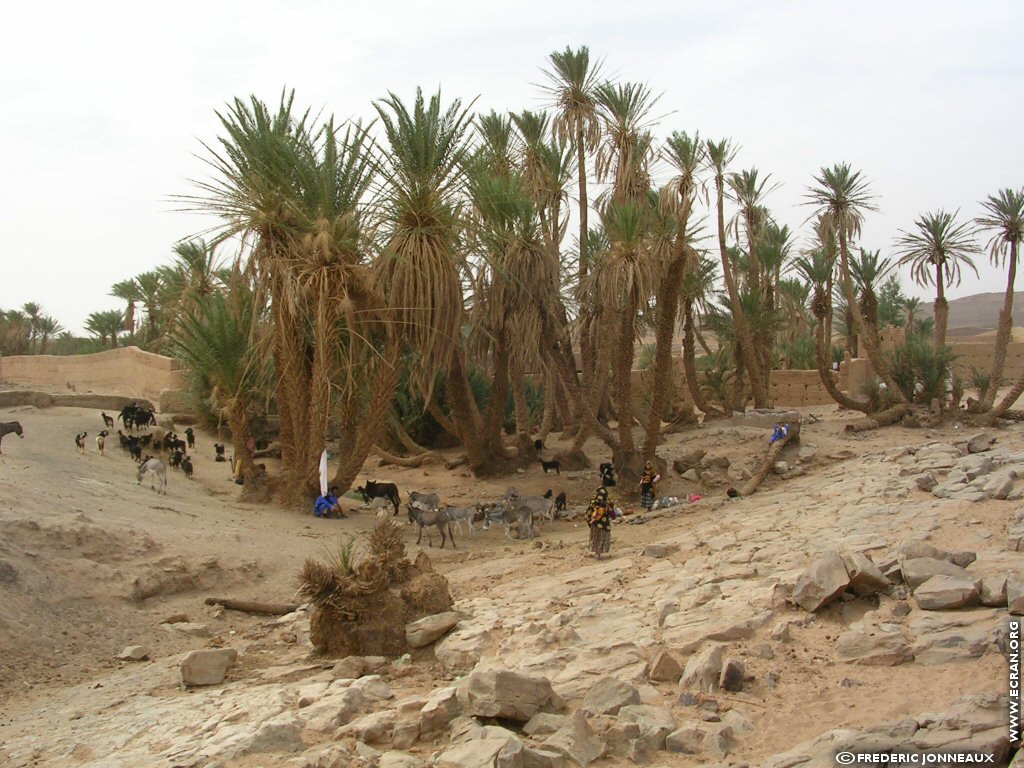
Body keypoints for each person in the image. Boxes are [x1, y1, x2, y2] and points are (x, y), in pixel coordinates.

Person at [586, 487, 613, 560]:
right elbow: (612, 512)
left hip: (595, 524)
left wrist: (589, 521)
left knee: (596, 538)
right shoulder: (607, 502)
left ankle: (597, 553)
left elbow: (589, 512)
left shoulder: (593, 501)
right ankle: (600, 553)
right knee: (602, 538)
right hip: (605, 525)